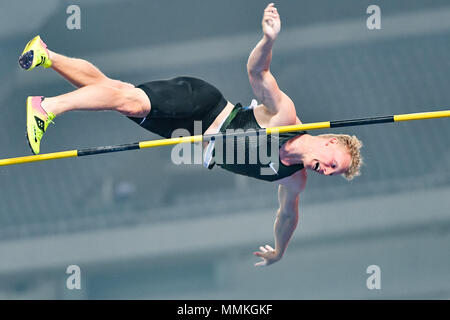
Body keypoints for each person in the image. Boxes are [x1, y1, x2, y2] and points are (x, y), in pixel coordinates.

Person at [18, 3, 362, 266]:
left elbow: (288, 216)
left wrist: (280, 251)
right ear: (331, 141)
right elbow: (258, 72)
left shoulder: (295, 179)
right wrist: (268, 40)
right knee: (127, 100)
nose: (327, 170)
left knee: (116, 95)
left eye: (333, 172)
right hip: (202, 105)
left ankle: (45, 54)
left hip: (191, 132)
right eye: (333, 162)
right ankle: (48, 107)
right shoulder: (285, 117)